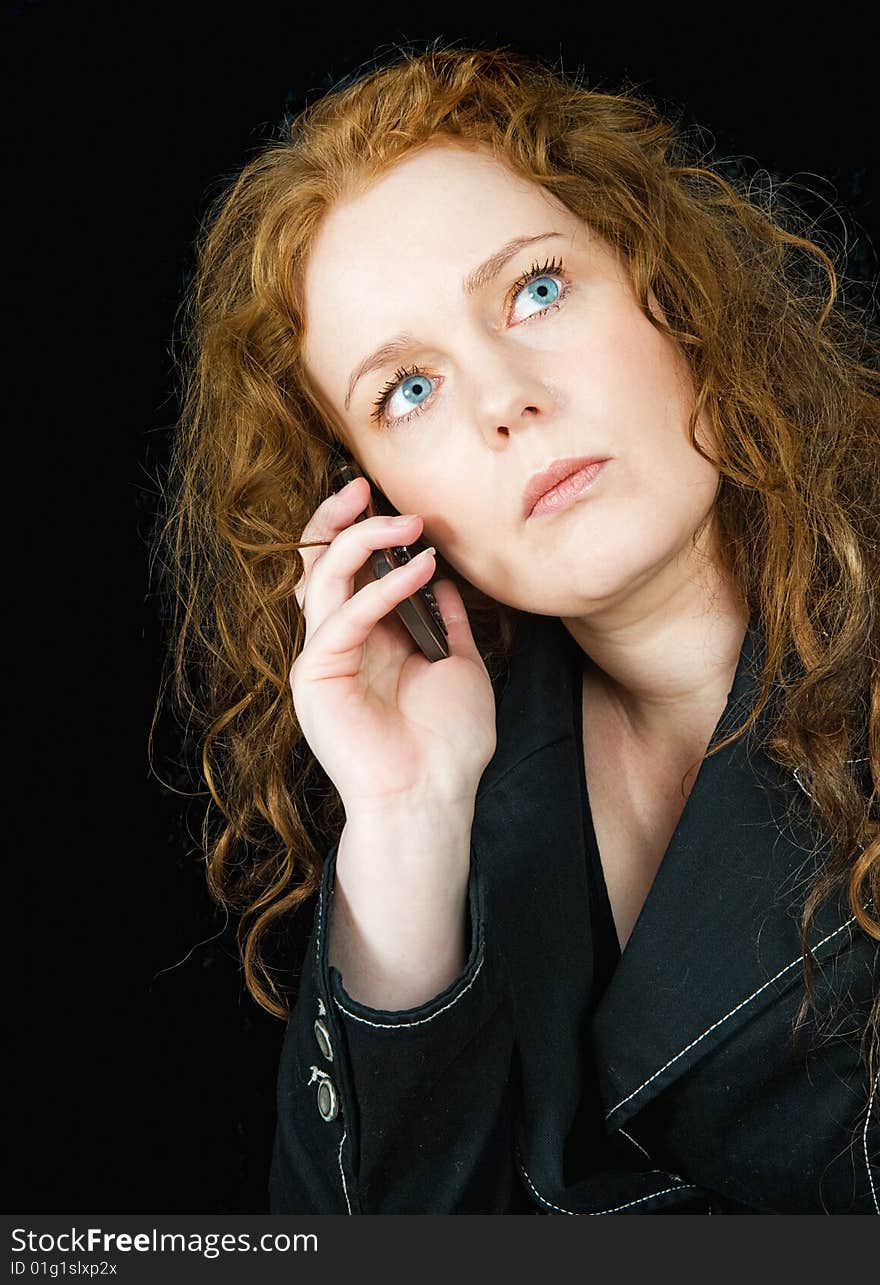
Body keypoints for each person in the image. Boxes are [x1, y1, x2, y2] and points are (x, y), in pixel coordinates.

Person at [154, 43, 880, 1213]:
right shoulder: (481, 783)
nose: (502, 398)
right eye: (409, 389)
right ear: (375, 503)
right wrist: (406, 824)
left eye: (534, 289)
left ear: (666, 284)